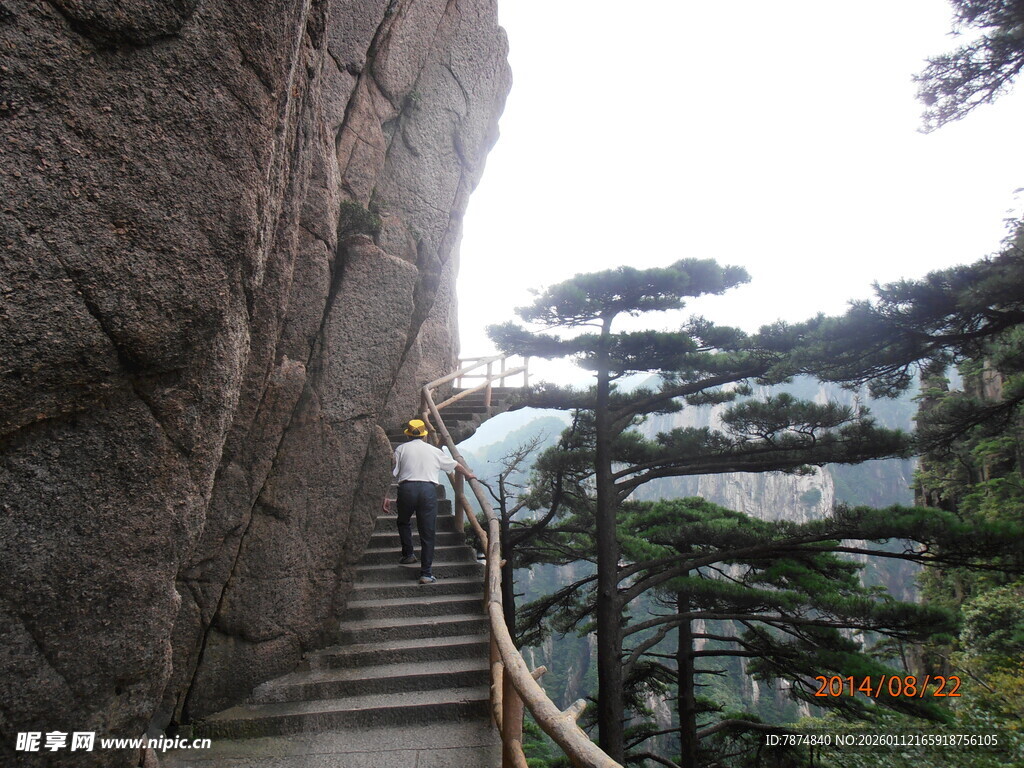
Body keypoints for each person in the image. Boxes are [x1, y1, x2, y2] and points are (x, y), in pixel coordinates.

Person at [391, 419, 476, 584]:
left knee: (403, 521)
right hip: (428, 491)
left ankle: (408, 554)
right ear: (424, 435)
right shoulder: (433, 450)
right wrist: (468, 474)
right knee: (428, 533)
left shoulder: (400, 449)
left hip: (406, 489)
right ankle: (426, 574)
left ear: (408, 435)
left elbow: (394, 472)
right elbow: (455, 464)